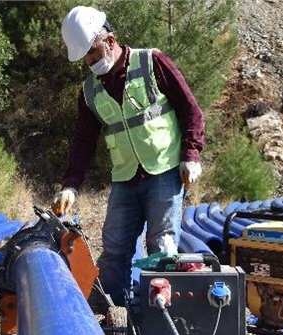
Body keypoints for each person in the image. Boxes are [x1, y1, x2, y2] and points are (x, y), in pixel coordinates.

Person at [53, 6, 205, 306]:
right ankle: (116, 314)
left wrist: (191, 153)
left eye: (93, 53)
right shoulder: (89, 91)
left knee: (162, 247)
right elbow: (83, 140)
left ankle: (163, 318)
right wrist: (70, 184)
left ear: (110, 40)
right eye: (85, 58)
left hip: (164, 171)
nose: (90, 62)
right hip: (125, 178)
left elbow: (191, 110)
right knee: (115, 248)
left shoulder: (152, 62)